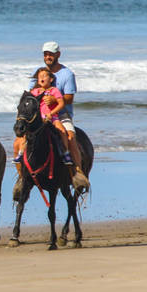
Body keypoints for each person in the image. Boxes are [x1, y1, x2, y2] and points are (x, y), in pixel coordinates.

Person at [13, 42, 89, 190]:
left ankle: (78, 172)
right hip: (38, 116)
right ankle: (21, 178)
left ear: (58, 55)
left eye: (51, 54)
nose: (48, 57)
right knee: (18, 141)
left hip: (60, 114)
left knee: (70, 136)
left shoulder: (67, 74)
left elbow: (69, 98)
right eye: (45, 54)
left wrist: (54, 100)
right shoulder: (38, 72)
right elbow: (30, 96)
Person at [13, 67, 73, 164]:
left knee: (61, 130)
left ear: (51, 79)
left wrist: (51, 113)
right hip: (37, 119)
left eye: (44, 76)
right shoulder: (34, 92)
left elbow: (61, 103)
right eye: (40, 76)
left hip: (52, 118)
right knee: (26, 134)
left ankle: (65, 153)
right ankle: (21, 154)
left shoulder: (54, 90)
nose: (42, 78)